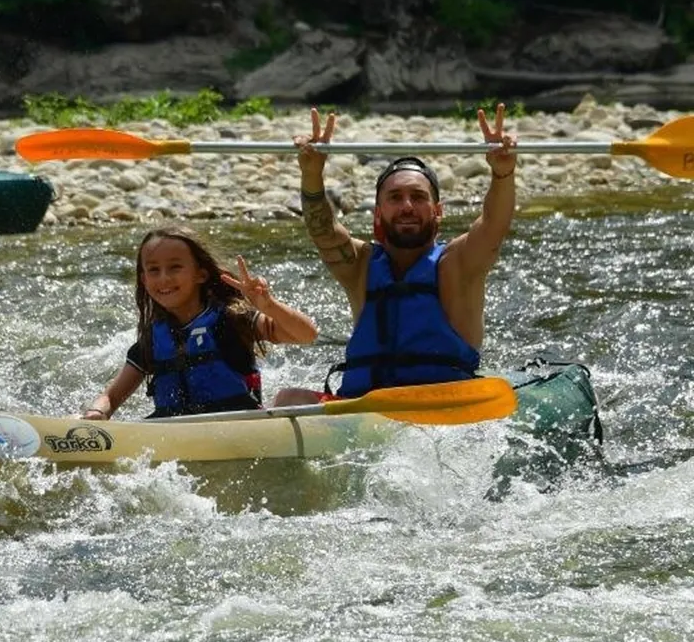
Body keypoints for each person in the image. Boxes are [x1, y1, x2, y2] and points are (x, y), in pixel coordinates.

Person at [275, 103, 517, 404]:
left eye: (418, 197)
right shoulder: (361, 266)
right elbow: (323, 231)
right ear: (378, 214)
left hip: (444, 407)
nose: (406, 206)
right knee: (288, 398)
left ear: (438, 212)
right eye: (395, 197)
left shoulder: (459, 264)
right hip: (363, 410)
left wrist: (503, 174)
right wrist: (312, 175)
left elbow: (494, 225)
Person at [83, 226, 318, 420]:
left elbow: (307, 335)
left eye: (175, 267)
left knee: (293, 398)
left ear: (201, 274)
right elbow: (111, 398)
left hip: (240, 426)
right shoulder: (152, 340)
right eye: (154, 270)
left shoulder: (233, 319)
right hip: (172, 433)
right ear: (144, 280)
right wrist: (97, 411)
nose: (164, 278)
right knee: (81, 419)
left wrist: (269, 306)